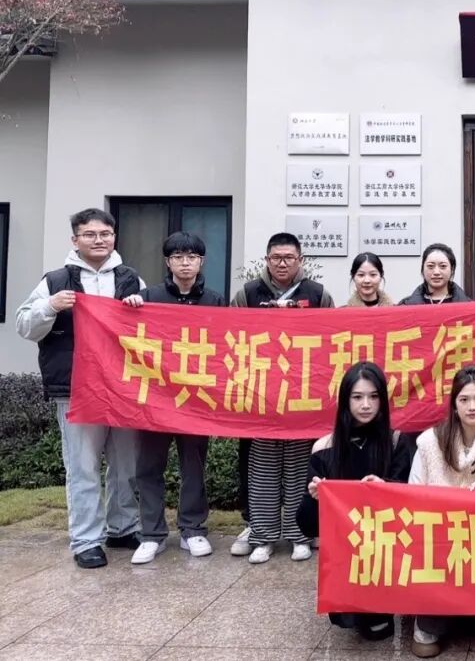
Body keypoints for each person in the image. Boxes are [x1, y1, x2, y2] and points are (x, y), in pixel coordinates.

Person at [15, 208, 144, 569]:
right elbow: (24, 325)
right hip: (76, 388)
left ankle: (123, 527)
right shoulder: (55, 281)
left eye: (105, 234)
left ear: (114, 237)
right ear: (75, 240)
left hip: (123, 388)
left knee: (126, 464)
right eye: (90, 234)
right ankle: (87, 540)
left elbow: (151, 332)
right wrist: (50, 306)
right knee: (83, 466)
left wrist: (140, 308)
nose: (98, 240)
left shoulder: (132, 279)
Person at [121, 232, 226, 564]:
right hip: (155, 398)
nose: (185, 263)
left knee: (193, 466)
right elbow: (125, 330)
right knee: (148, 467)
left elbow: (226, 345)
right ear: (167, 262)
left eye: (192, 257)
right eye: (178, 257)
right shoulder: (148, 297)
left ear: (201, 261)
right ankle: (152, 534)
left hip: (196, 398)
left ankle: (192, 529)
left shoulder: (215, 301)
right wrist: (129, 307)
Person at [228, 232, 334, 561]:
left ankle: (300, 534)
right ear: (267, 260)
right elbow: (229, 334)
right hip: (261, 395)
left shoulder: (317, 294)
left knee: (301, 467)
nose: (282, 263)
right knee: (262, 469)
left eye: (289, 258)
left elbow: (333, 338)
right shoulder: (247, 293)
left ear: (300, 260)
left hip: (303, 397)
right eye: (276, 258)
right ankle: (262, 535)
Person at [408, 365, 475, 657]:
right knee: (427, 643)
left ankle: (473, 608)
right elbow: (413, 492)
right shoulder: (429, 442)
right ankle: (427, 620)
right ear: (454, 405)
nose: (472, 407)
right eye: (464, 399)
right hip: (435, 534)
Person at [296, 362, 412, 640]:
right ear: (345, 400)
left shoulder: (397, 442)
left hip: (388, 548)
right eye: (357, 397)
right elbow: (307, 526)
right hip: (346, 552)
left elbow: (413, 505)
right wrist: (315, 499)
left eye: (373, 396)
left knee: (379, 630)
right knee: (349, 619)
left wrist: (387, 490)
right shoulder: (324, 448)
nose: (366, 405)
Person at [400, 243, 471, 305]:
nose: (436, 272)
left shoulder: (468, 305)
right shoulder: (406, 305)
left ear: (452, 270)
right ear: (423, 269)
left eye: (443, 266)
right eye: (430, 266)